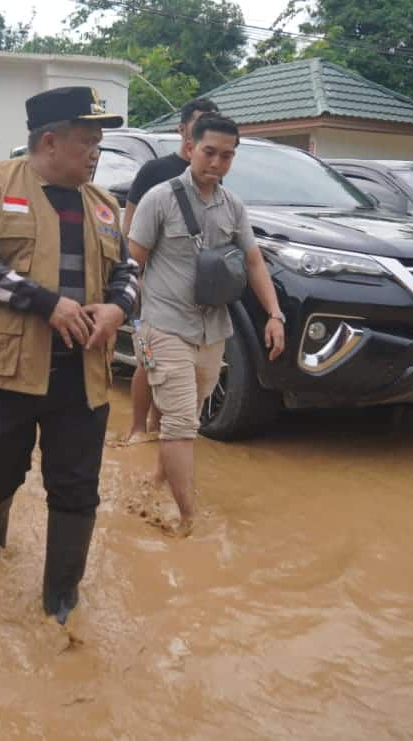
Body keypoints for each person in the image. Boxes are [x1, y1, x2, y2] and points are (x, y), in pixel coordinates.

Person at [0, 87, 137, 624]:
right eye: (87, 141)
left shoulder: (104, 205)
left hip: (80, 374)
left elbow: (126, 270)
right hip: (6, 369)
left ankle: (61, 602)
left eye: (99, 143)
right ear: (50, 141)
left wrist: (118, 310)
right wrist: (47, 304)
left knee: (77, 486)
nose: (96, 152)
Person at [127, 115, 286, 537]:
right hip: (164, 327)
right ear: (190, 148)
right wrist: (129, 318)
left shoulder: (233, 206)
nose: (217, 162)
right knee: (180, 427)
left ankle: (151, 487)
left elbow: (253, 261)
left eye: (227, 155)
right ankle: (188, 519)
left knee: (186, 421)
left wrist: (275, 315)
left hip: (213, 333)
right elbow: (132, 262)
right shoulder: (159, 199)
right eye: (209, 152)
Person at [120, 97, 220, 445]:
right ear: (182, 131)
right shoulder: (154, 172)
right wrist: (134, 280)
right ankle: (136, 428)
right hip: (149, 292)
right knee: (147, 360)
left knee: (175, 370)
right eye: (199, 125)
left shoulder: (214, 178)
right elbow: (130, 228)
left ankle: (162, 432)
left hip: (192, 299)